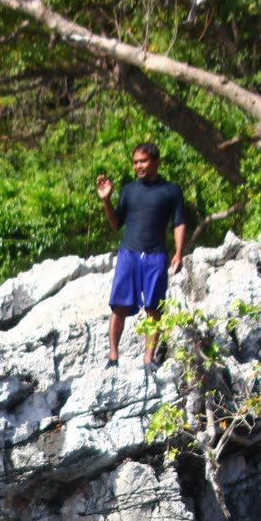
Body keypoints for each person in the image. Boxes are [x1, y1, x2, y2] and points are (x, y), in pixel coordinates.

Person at [96, 143, 186, 368]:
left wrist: (179, 252)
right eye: (135, 162)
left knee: (154, 309)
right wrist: (106, 200)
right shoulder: (128, 190)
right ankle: (113, 357)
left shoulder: (171, 190)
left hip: (156, 256)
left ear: (156, 162)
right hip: (129, 254)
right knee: (119, 306)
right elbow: (116, 224)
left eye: (143, 161)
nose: (138, 166)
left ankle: (148, 360)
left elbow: (179, 222)